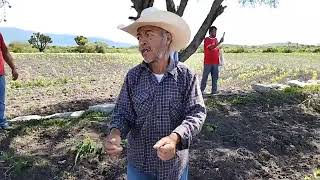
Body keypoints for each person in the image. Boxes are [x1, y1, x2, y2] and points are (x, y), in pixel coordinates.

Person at [104, 7, 206, 180]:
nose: (142, 42)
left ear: (167, 38)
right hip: (139, 167)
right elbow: (123, 112)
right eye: (139, 37)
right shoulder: (133, 77)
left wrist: (175, 138)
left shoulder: (186, 76)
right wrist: (115, 133)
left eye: (149, 35)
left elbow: (196, 113)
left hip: (174, 168)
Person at [0, 32, 19, 130]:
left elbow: (5, 52)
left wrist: (13, 68)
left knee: (1, 101)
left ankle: (2, 122)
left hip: (0, 74)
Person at [200, 26, 224, 95]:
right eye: (214, 31)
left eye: (216, 31)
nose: (215, 33)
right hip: (208, 62)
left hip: (215, 62)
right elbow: (210, 48)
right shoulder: (207, 39)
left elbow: (217, 49)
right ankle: (201, 91)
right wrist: (219, 42)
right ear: (210, 32)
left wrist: (220, 60)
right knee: (205, 77)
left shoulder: (216, 39)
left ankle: (214, 92)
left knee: (215, 77)